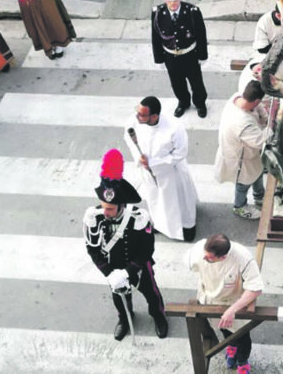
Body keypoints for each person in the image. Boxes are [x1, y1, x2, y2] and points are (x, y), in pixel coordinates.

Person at [83, 149, 169, 341]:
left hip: (137, 265)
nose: (105, 212)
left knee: (152, 294)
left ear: (121, 205)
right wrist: (109, 272)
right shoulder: (93, 217)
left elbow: (147, 250)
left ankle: (158, 316)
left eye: (110, 209)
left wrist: (129, 272)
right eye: (104, 207)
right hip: (113, 267)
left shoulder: (139, 218)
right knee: (119, 298)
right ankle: (125, 318)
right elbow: (92, 248)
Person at [186, 233, 265, 374]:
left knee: (242, 336)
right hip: (211, 299)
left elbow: (255, 288)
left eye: (209, 258)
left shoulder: (243, 258)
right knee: (224, 329)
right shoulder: (199, 250)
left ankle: (242, 360)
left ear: (223, 257)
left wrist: (232, 310)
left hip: (235, 302)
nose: (204, 258)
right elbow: (191, 264)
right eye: (205, 254)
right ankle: (231, 347)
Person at [125, 95, 198, 242]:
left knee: (179, 201)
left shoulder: (174, 127)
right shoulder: (135, 121)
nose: (137, 116)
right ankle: (159, 223)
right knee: (155, 199)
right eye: (137, 111)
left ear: (154, 116)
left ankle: (187, 226)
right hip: (147, 172)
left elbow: (180, 152)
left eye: (142, 114)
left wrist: (153, 163)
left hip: (171, 172)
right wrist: (139, 158)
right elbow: (128, 137)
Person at [151, 0, 208, 117]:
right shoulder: (157, 13)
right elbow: (155, 37)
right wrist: (158, 59)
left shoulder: (192, 11)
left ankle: (200, 103)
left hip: (190, 55)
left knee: (197, 83)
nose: (173, 3)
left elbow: (201, 35)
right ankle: (183, 102)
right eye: (170, 0)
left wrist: (202, 55)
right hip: (171, 56)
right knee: (177, 83)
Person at [214, 80, 270, 220]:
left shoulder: (238, 96)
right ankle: (239, 206)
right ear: (256, 100)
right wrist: (272, 127)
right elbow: (261, 141)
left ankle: (259, 197)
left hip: (250, 156)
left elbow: (259, 108)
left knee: (257, 174)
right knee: (243, 184)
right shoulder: (243, 123)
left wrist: (265, 117)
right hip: (240, 159)